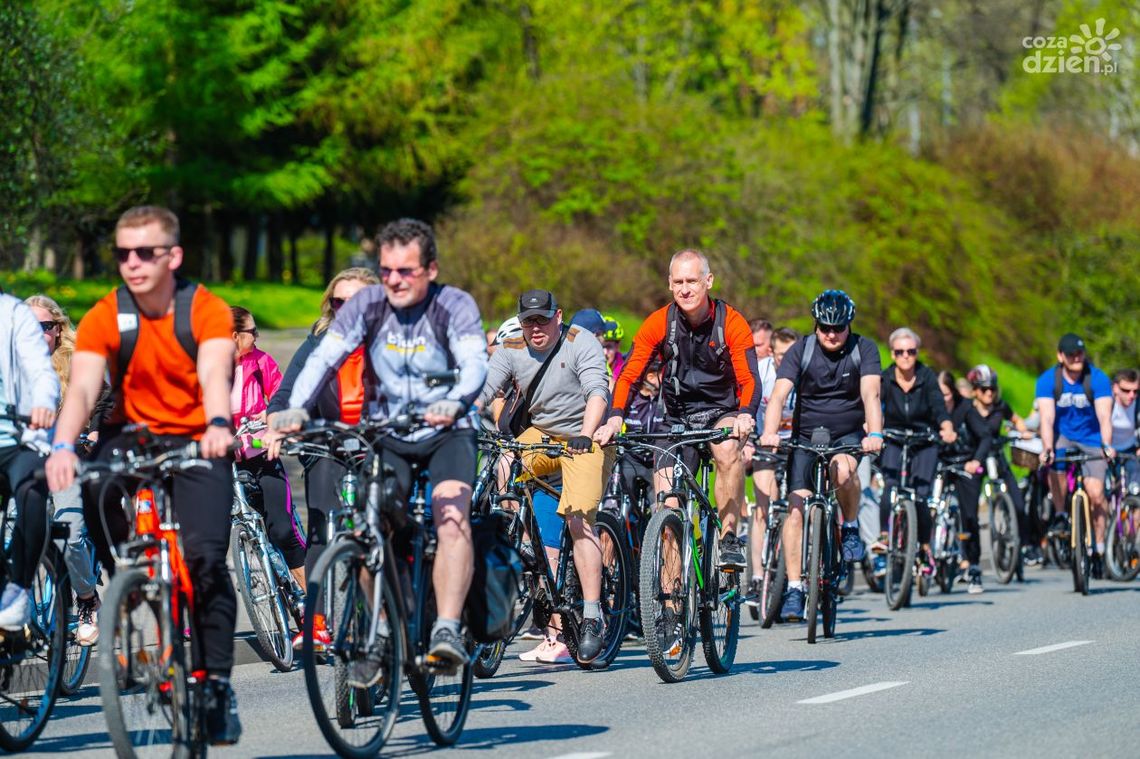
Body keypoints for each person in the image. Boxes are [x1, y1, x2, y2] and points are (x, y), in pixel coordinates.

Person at [44, 205, 242, 745]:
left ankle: (218, 684)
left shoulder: (203, 309)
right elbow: (83, 388)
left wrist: (220, 422)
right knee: (91, 483)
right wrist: (62, 443)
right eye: (122, 253)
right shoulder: (106, 313)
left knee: (204, 561)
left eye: (145, 253)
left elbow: (214, 372)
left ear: (173, 256)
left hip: (201, 434)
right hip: (131, 433)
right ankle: (126, 575)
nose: (131, 263)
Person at [273, 218, 488, 678]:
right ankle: (382, 628)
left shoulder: (454, 305)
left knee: (450, 513)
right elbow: (323, 356)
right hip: (388, 431)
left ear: (430, 269)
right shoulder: (367, 306)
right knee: (370, 528)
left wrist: (454, 401)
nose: (393, 280)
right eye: (386, 270)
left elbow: (474, 364)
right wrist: (291, 409)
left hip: (448, 428)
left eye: (405, 271)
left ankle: (447, 629)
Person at [595, 249, 760, 570]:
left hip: (720, 410)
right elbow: (630, 373)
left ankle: (728, 539)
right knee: (666, 507)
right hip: (676, 416)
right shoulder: (660, 322)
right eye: (679, 281)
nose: (686, 289)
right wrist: (615, 416)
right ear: (670, 284)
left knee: (728, 452)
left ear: (708, 281)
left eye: (693, 281)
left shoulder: (732, 323)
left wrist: (745, 412)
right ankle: (670, 608)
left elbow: (750, 377)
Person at [480, 289, 613, 664]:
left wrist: (587, 435)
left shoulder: (579, 341)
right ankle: (518, 535)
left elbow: (597, 390)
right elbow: (486, 388)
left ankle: (590, 616)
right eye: (528, 321)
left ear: (558, 316)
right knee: (503, 462)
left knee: (577, 518)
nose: (535, 328)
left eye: (542, 320)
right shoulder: (510, 347)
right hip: (543, 434)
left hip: (584, 434)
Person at [267, 266, 380, 650]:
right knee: (321, 522)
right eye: (339, 301)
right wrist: (276, 425)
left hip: (379, 443)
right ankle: (316, 621)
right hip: (329, 443)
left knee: (393, 521)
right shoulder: (319, 341)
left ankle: (399, 605)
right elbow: (287, 394)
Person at [758, 290, 882, 622]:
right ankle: (796, 588)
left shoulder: (864, 349)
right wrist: (770, 433)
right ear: (815, 324)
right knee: (796, 509)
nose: (830, 334)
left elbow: (871, 394)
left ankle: (851, 526)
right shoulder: (802, 349)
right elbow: (779, 394)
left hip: (847, 435)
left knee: (842, 472)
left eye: (838, 328)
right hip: (805, 436)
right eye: (824, 327)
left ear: (848, 325)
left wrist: (875, 434)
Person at [24, 294, 102, 645]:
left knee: (71, 536)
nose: (38, 334)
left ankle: (86, 599)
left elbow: (100, 400)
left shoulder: (75, 362)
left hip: (68, 458)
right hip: (24, 462)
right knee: (11, 534)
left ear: (58, 329)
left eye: (45, 326)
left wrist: (94, 430)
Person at [229, 307, 306, 592]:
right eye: (253, 332)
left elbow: (283, 395)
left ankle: (314, 612)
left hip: (262, 454)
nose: (257, 336)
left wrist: (273, 417)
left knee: (283, 530)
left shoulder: (261, 362)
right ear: (235, 336)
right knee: (207, 543)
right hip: (225, 463)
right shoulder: (208, 368)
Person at [876, 328, 956, 576]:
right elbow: (875, 405)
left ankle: (923, 547)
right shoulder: (885, 378)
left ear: (917, 353)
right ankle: (886, 536)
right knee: (889, 487)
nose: (906, 356)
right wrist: (871, 428)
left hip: (925, 438)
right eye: (900, 352)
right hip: (894, 436)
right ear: (893, 354)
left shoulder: (927, 376)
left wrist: (947, 428)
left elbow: (939, 407)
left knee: (921, 496)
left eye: (911, 351)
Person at [0, 292, 58, 630]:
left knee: (32, 493)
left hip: (18, 439)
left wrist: (44, 401)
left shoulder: (14, 314)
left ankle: (20, 588)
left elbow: (41, 370)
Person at [1035, 334, 1115, 577]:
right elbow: (1047, 418)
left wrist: (1107, 445)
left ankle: (1099, 548)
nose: (1077, 358)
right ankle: (1060, 513)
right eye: (1071, 354)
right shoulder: (1049, 379)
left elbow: (1104, 417)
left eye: (1080, 353)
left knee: (1096, 494)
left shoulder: (1097, 378)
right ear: (1060, 356)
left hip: (1091, 439)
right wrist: (1047, 448)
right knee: (1054, 466)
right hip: (1062, 436)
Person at [953, 365, 1031, 590]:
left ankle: (1020, 547)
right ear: (975, 390)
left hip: (996, 457)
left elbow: (1017, 420)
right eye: (984, 389)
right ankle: (969, 559)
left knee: (1017, 503)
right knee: (970, 511)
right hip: (976, 458)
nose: (990, 393)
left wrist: (1022, 431)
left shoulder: (1001, 407)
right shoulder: (967, 409)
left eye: (992, 389)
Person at [742, 326, 798, 595]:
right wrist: (750, 441)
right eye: (780, 355)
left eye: (790, 355)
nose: (785, 361)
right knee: (763, 505)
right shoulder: (762, 373)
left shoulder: (804, 372)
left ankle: (795, 571)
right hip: (766, 443)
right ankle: (756, 575)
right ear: (771, 352)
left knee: (797, 508)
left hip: (796, 444)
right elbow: (748, 407)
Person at [1109, 369, 1139, 488]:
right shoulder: (1107, 404)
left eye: (1135, 391)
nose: (1131, 395)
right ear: (1115, 388)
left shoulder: (1138, 404)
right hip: (1107, 451)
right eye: (1126, 390)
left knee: (1135, 488)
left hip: (1130, 450)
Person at [601, 314, 626, 384]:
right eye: (599, 346)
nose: (604, 352)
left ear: (617, 346)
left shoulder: (626, 371)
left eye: (608, 346)